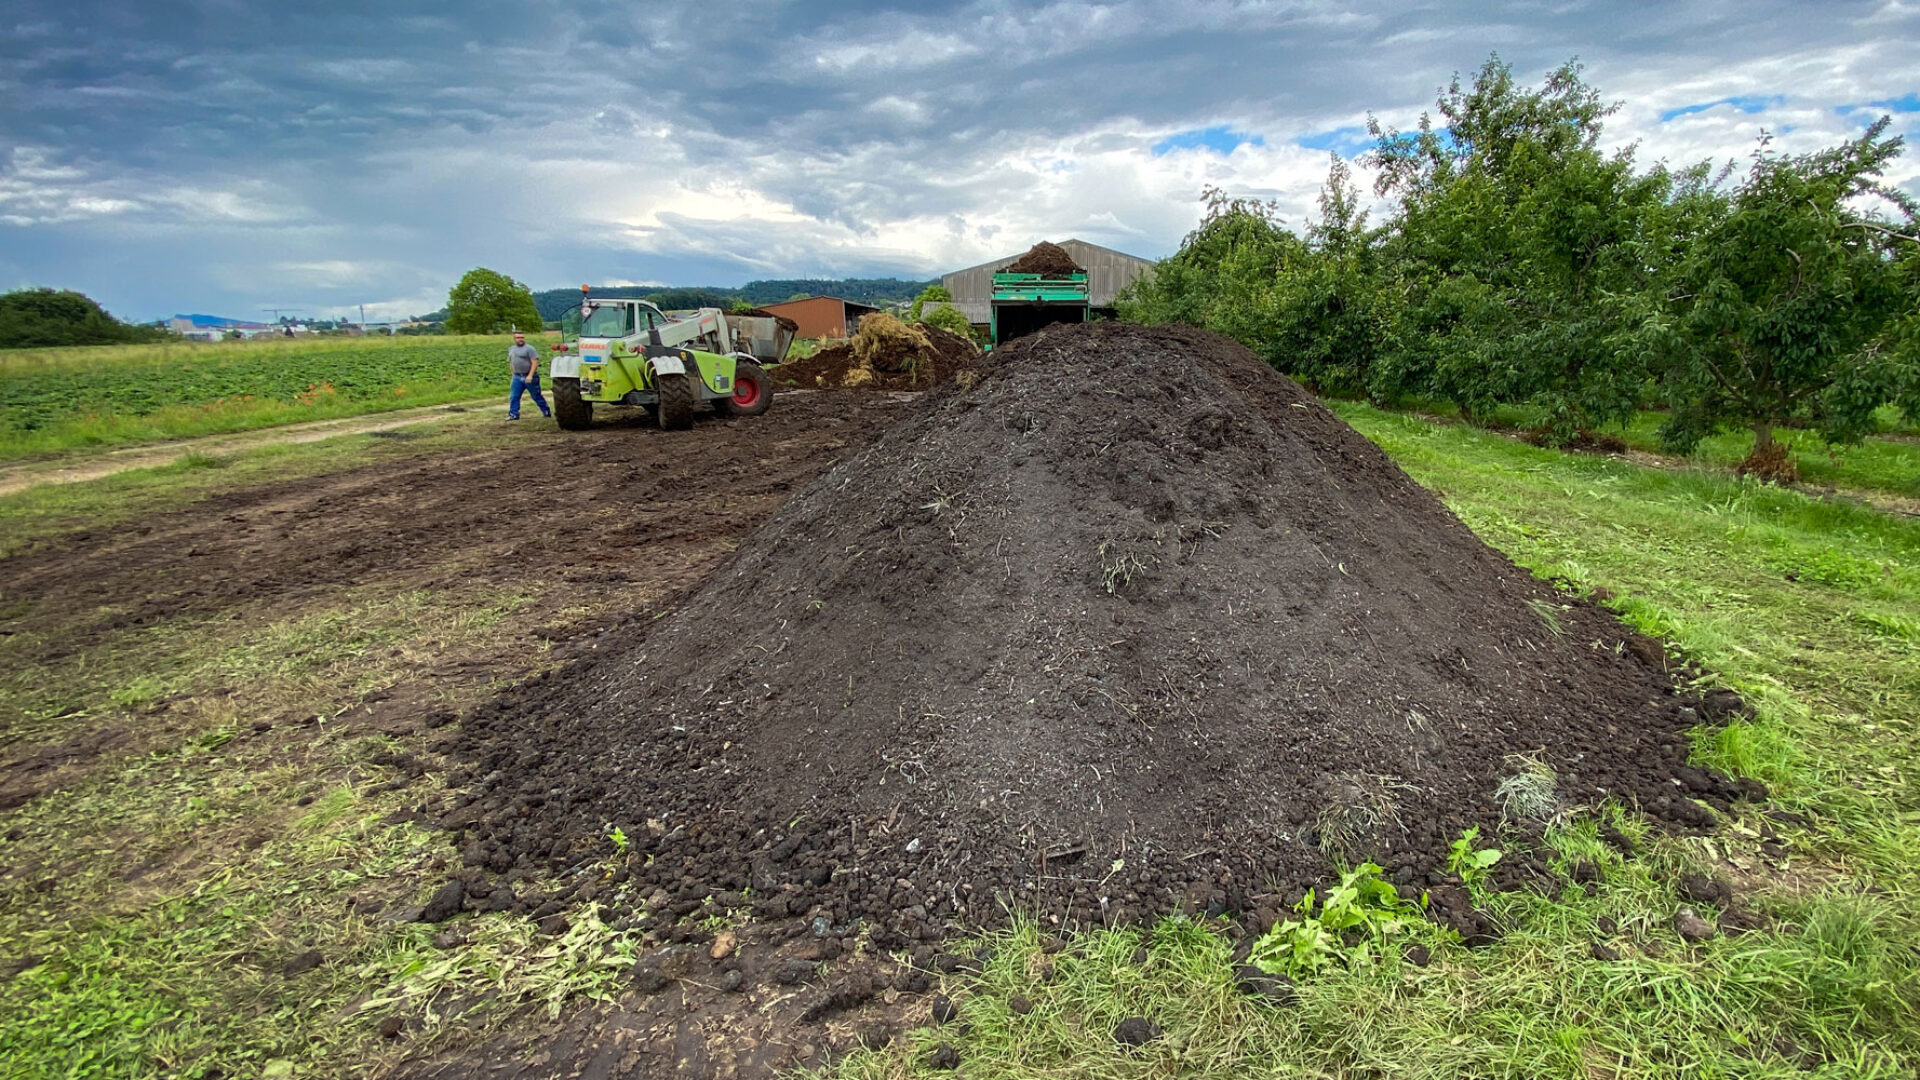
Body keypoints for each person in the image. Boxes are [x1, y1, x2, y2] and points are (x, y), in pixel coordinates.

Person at [506, 331, 550, 420]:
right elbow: (511, 362)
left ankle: (546, 411)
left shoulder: (529, 349)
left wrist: (530, 375)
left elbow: (535, 362)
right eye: (518, 338)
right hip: (517, 376)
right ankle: (513, 414)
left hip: (529, 376)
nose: (520, 339)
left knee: (536, 395)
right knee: (514, 396)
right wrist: (513, 374)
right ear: (514, 339)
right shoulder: (511, 349)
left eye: (522, 337)